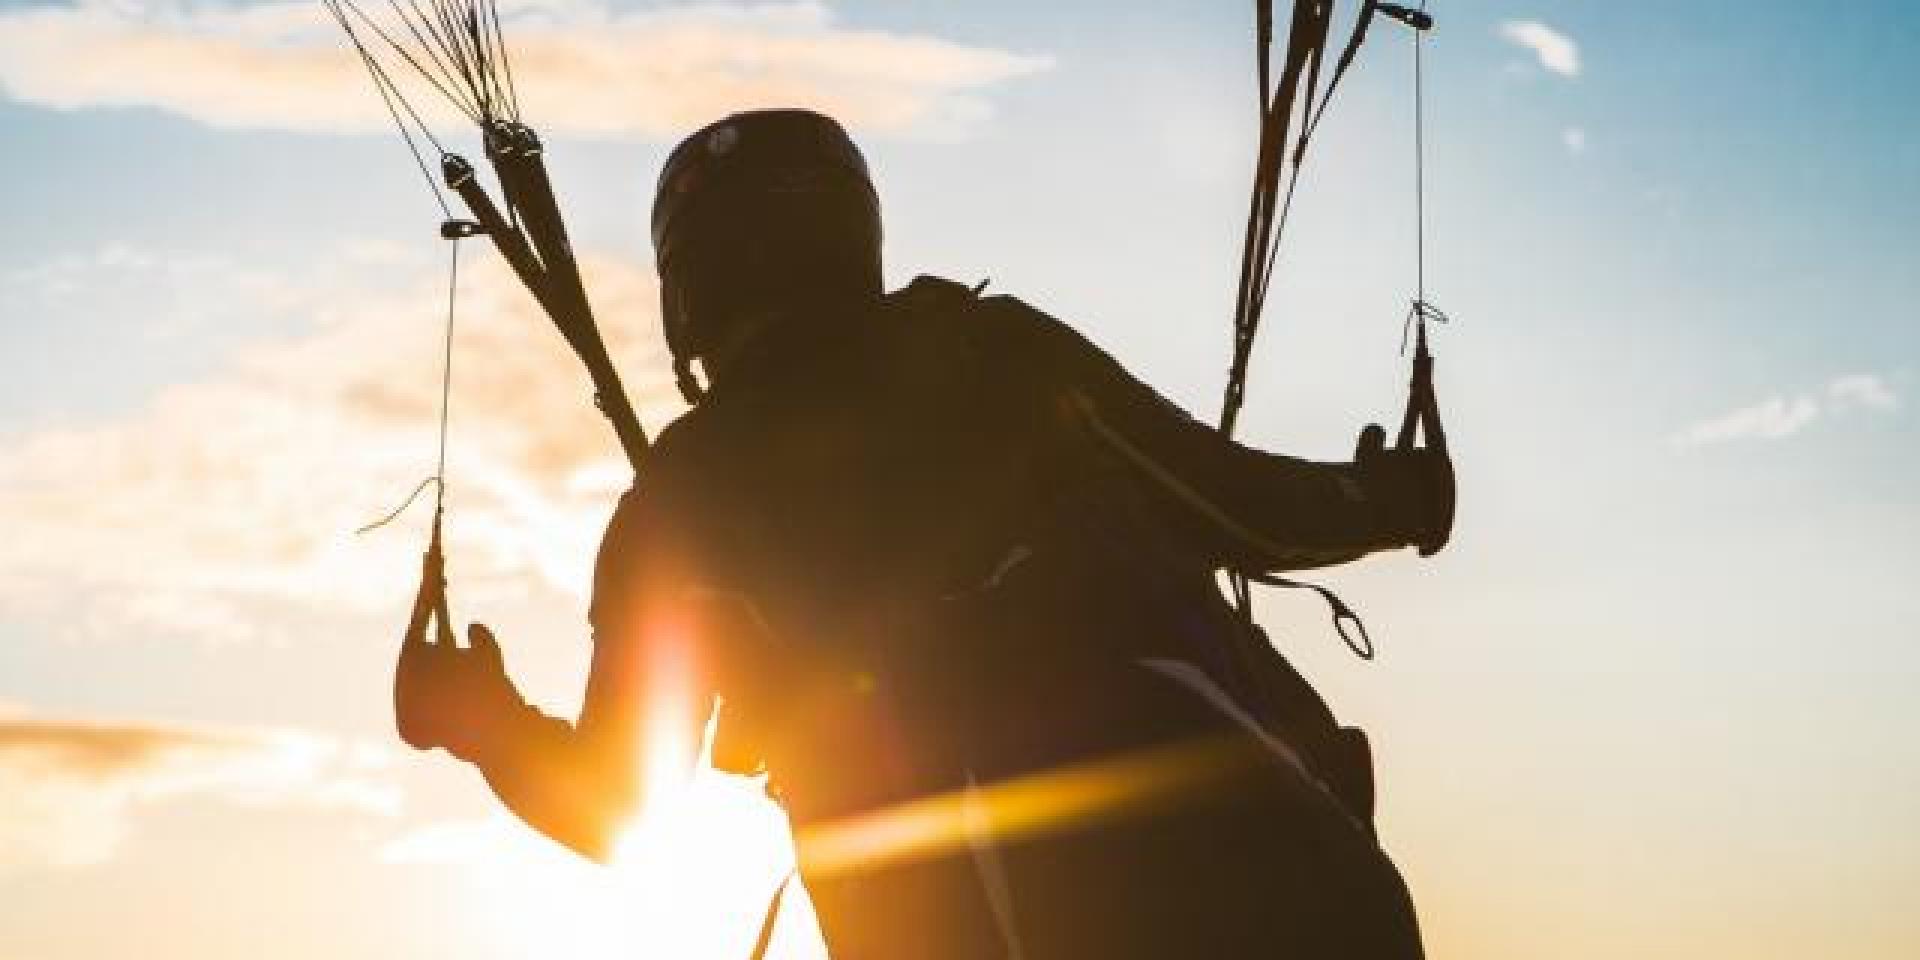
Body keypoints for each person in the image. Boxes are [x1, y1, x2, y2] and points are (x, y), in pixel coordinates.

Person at [394, 108, 1454, 958]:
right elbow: (1244, 509)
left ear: (688, 294)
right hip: (1296, 892)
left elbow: (617, 806)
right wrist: (1396, 497)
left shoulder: (679, 501)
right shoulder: (991, 351)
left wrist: (479, 720)